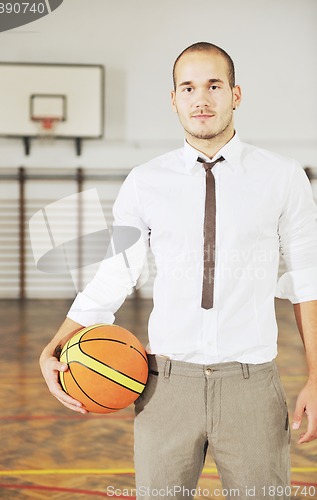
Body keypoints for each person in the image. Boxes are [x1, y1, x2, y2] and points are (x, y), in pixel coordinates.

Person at [40, 42, 317, 499]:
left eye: (214, 85)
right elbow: (114, 276)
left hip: (251, 385)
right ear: (174, 99)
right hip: (164, 387)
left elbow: (308, 280)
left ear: (236, 94)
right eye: (188, 87)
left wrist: (315, 376)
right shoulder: (145, 182)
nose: (201, 98)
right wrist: (53, 346)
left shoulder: (283, 177)